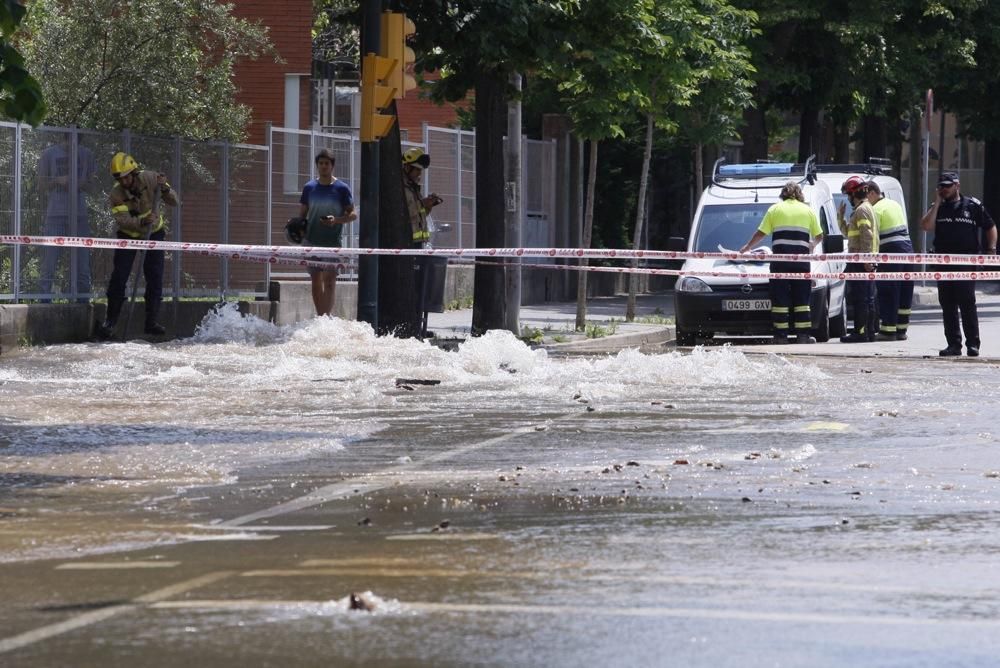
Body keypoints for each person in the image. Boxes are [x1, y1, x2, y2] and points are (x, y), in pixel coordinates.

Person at [95, 152, 179, 339]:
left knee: (155, 277)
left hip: (154, 235)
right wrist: (142, 221)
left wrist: (164, 188)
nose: (124, 181)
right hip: (128, 235)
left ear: (134, 172)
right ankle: (111, 322)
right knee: (119, 277)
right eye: (119, 178)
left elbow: (174, 201)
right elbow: (123, 220)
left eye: (126, 177)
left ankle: (151, 322)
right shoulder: (116, 194)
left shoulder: (151, 178)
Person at [919, 171, 997, 357]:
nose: (944, 189)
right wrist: (937, 203)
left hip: (966, 261)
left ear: (957, 186)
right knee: (947, 303)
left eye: (947, 185)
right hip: (943, 262)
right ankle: (954, 344)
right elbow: (926, 226)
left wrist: (991, 250)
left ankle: (973, 344)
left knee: (967, 302)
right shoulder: (937, 208)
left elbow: (990, 226)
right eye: (941, 186)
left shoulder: (972, 205)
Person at [739, 181, 823, 344]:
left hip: (780, 263)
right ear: (799, 194)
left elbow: (761, 233)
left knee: (780, 300)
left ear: (783, 194)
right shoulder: (808, 210)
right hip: (801, 263)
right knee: (802, 301)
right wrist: (812, 244)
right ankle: (803, 336)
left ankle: (780, 336)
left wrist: (747, 247)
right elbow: (820, 235)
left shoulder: (775, 209)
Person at [37, 138, 96, 302]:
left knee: (82, 266)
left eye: (76, 142)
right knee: (49, 263)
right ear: (63, 138)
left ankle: (83, 305)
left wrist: (81, 184)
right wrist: (57, 180)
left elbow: (92, 187)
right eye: (69, 142)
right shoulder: (49, 154)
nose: (72, 146)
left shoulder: (87, 154)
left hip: (80, 216)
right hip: (55, 215)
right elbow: (40, 185)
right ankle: (43, 304)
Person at [299, 148, 356, 317]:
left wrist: (336, 220)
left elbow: (353, 215)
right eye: (321, 163)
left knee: (330, 281)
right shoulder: (309, 187)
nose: (323, 166)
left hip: (332, 243)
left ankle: (326, 317)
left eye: (327, 163)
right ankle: (320, 317)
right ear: (317, 166)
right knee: (316, 280)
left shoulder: (342, 188)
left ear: (332, 166)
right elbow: (302, 214)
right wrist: (297, 229)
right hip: (311, 242)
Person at [867, 180, 914, 341]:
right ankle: (901, 330)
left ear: (872, 193)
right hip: (907, 251)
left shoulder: (875, 209)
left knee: (888, 290)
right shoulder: (894, 204)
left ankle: (888, 330)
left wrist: (870, 259)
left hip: (890, 253)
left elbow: (873, 238)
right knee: (904, 291)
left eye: (866, 197)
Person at [837, 176, 879, 343]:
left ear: (853, 193)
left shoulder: (861, 210)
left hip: (861, 261)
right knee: (867, 298)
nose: (848, 198)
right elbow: (849, 233)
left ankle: (860, 332)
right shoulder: (865, 208)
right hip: (862, 260)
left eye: (848, 194)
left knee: (861, 299)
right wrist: (841, 218)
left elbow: (866, 236)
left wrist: (866, 259)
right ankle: (868, 332)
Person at [401, 147, 442, 249]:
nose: (419, 173)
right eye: (417, 169)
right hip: (404, 242)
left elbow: (419, 214)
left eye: (421, 170)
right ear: (407, 167)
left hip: (417, 242)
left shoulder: (412, 187)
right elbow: (402, 213)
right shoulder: (400, 187)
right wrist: (423, 203)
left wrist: (429, 206)